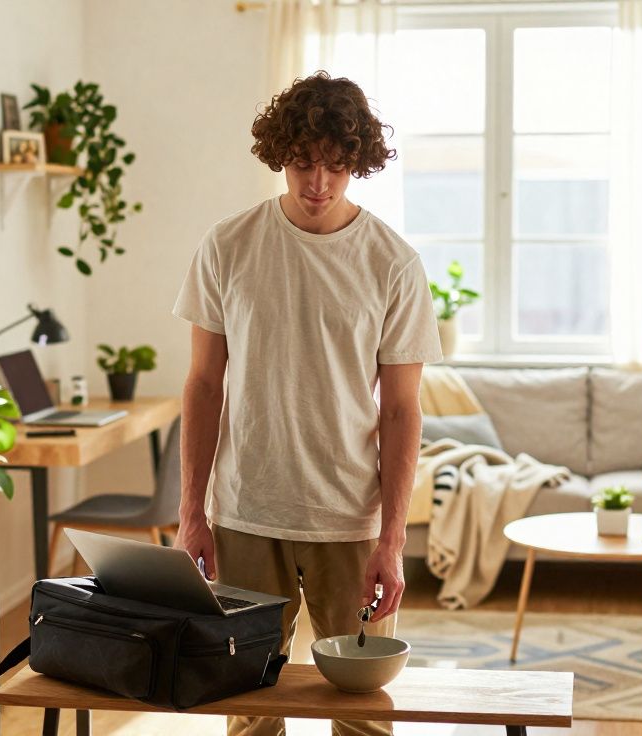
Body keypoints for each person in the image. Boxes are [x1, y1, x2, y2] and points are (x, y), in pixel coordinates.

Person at [171, 71, 442, 736]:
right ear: (278, 156)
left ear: (358, 164)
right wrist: (191, 512)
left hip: (350, 520)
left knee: (362, 719)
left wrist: (393, 537)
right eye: (301, 163)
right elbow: (204, 384)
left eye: (336, 165)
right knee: (249, 711)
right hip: (245, 512)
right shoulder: (228, 245)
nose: (317, 183)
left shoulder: (392, 263)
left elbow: (402, 411)